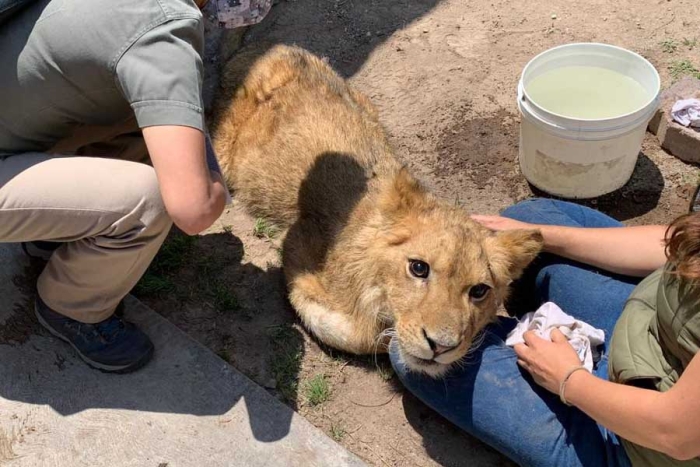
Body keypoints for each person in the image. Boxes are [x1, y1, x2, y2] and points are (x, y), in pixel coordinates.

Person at [0, 0, 229, 373]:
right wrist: (213, 181)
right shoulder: (164, 31)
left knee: (141, 115)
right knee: (153, 201)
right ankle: (71, 306)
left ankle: (54, 233)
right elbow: (194, 210)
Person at [390, 198, 700, 467]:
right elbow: (677, 249)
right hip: (651, 318)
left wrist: (569, 380)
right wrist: (543, 238)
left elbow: (676, 435)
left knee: (409, 356)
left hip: (640, 443)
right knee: (528, 223)